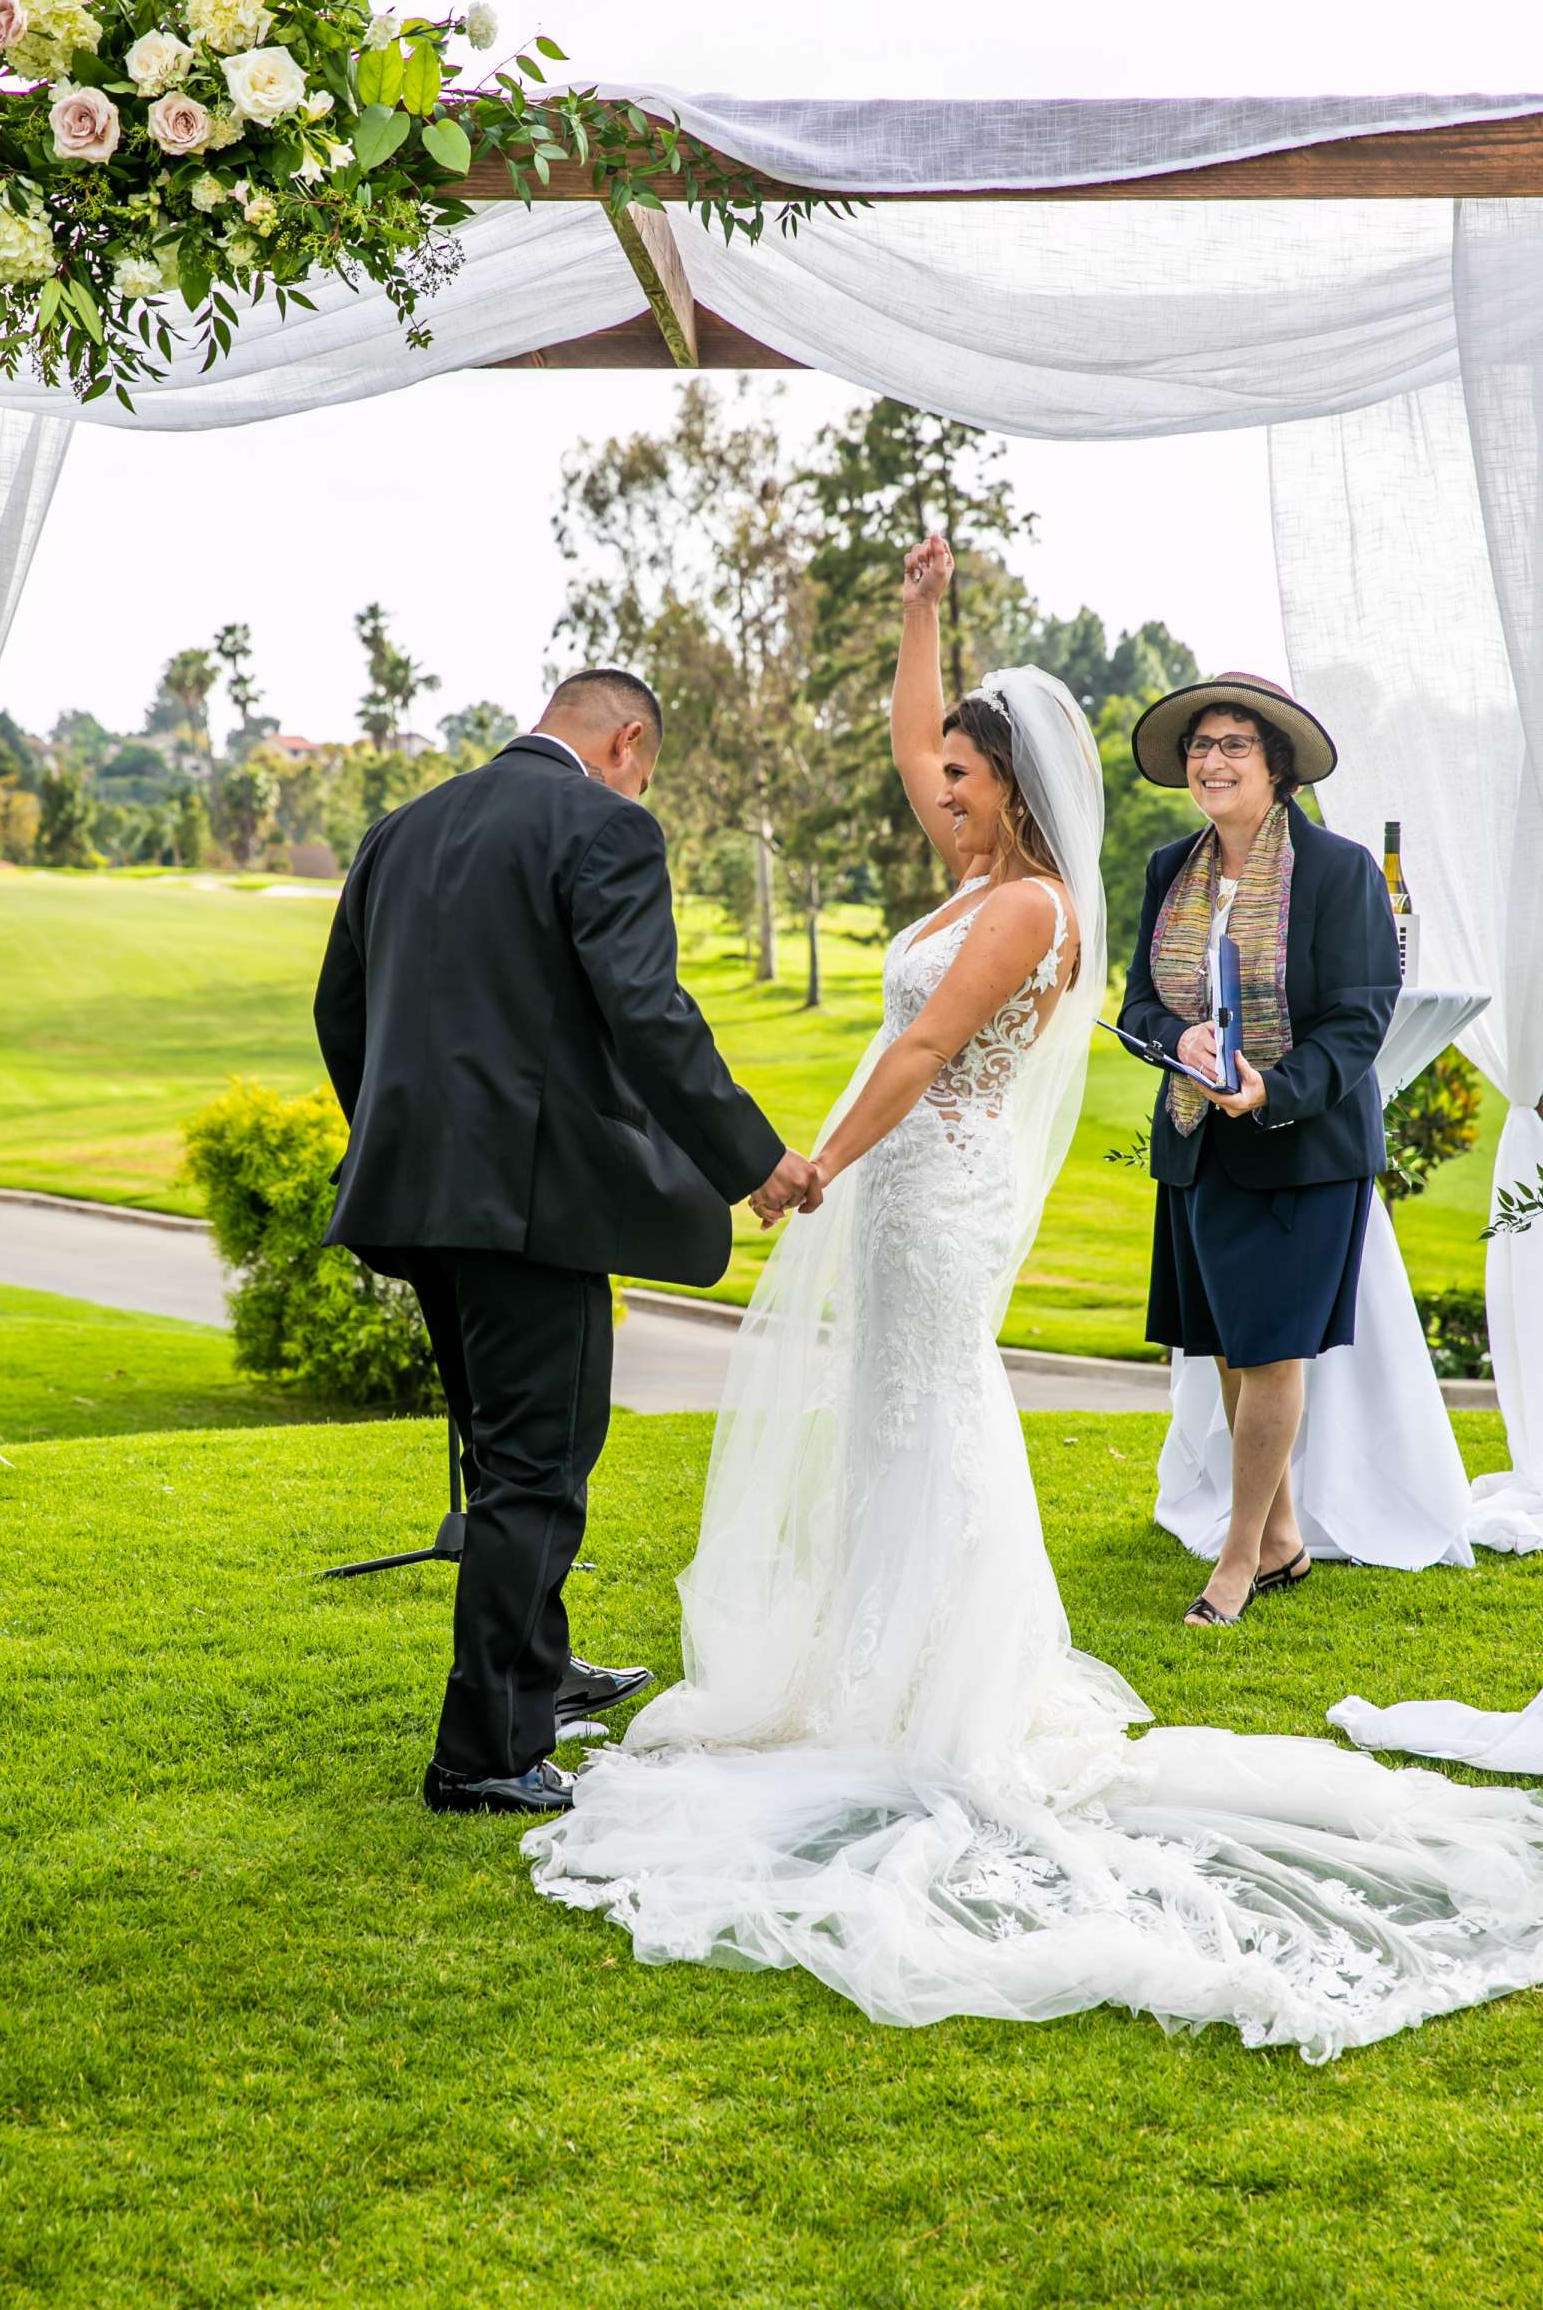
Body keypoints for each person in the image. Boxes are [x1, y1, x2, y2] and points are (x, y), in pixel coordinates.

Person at [524, 543, 1543, 2061]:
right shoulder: (981, 876)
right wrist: (921, 615)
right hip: (909, 1192)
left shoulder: (1025, 909)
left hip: (927, 1190)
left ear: (1004, 789)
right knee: (897, 1421)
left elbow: (925, 1055)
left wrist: (804, 1171)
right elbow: (909, 740)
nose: (932, 785)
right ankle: (878, 1658)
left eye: (956, 773)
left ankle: (948, 1684)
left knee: (932, 1416)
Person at [313, 668, 817, 1816]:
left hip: (411, 1198)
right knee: (539, 1473)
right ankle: (484, 1754)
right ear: (627, 739)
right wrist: (752, 1158)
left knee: (505, 1463)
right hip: (529, 1214)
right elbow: (646, 1012)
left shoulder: (400, 828)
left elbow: (339, 1013)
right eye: (647, 763)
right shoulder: (606, 824)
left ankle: (538, 1680)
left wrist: (407, 1139)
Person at [1119, 673, 1401, 1626]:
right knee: (1233, 1350)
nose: (1212, 760)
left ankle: (1238, 1562)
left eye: (1235, 743)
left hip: (1304, 1149)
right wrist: (1181, 1041)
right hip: (1198, 1144)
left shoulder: (1339, 869)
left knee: (1274, 1348)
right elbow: (1138, 1008)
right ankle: (1280, 1539)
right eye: (1201, 746)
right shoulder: (1170, 870)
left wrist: (1272, 1090)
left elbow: (1361, 1019)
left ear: (1275, 767)